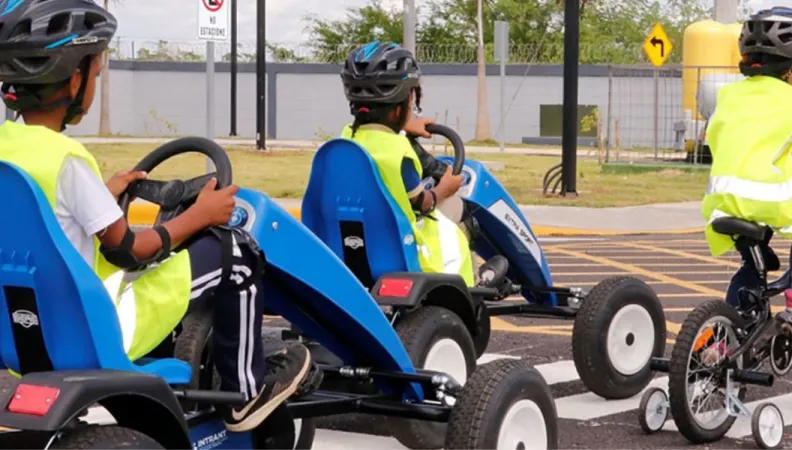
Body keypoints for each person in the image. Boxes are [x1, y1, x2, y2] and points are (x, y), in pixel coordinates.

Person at [0, 0, 312, 432]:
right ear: (74, 78)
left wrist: (102, 195)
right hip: (95, 333)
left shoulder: (9, 149)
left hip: (24, 338)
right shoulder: (69, 158)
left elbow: (49, 219)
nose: (96, 81)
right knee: (236, 254)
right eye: (96, 72)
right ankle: (245, 394)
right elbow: (130, 248)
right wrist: (200, 215)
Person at [339, 41, 476, 286]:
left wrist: (403, 126)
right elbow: (423, 203)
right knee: (455, 216)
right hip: (402, 249)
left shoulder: (345, 140)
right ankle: (469, 289)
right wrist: (445, 188)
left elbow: (375, 138)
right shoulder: (400, 152)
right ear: (404, 103)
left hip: (354, 245)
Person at [702, 7, 792, 311]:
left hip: (722, 203)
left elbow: (715, 142)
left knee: (751, 267)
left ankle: (732, 327)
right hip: (772, 202)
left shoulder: (727, 97)